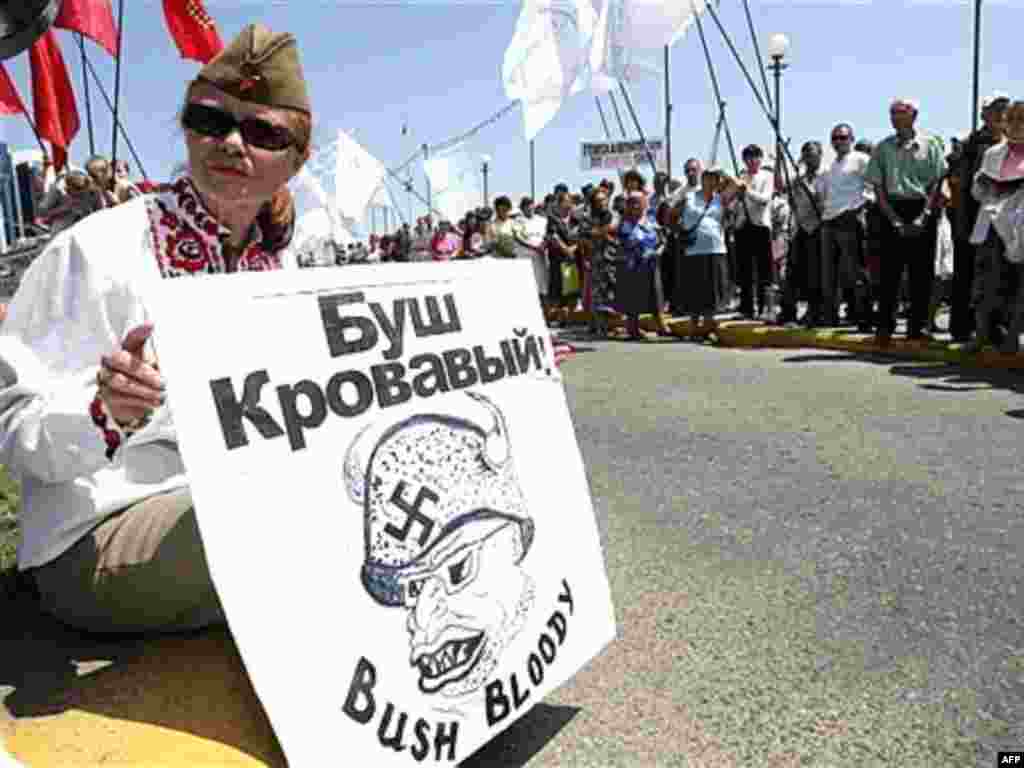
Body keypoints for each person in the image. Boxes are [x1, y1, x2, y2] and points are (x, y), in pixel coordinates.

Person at [0, 23, 312, 634]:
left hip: (232, 501)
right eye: (209, 120)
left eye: (263, 132)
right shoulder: (97, 250)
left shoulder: (286, 265)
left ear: (296, 159)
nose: (231, 143)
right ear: (185, 126)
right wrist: (105, 413)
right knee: (295, 516)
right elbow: (13, 430)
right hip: (101, 528)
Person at [864, 98, 947, 345]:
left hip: (922, 207)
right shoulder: (883, 148)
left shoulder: (930, 145)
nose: (895, 117)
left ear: (914, 115)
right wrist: (893, 219)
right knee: (889, 273)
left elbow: (936, 182)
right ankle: (884, 327)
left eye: (900, 112)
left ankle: (918, 326)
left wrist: (925, 215)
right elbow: (877, 187)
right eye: (892, 113)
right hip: (891, 208)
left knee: (921, 273)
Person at [968, 99, 1024, 353]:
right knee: (987, 282)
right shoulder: (992, 153)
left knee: (1019, 284)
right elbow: (977, 190)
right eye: (1011, 119)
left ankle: (1013, 336)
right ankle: (981, 336)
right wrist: (985, 186)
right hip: (992, 224)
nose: (1015, 125)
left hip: (1020, 225)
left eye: (1021, 120)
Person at [954, 92, 1010, 342]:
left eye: (1004, 109)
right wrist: (962, 222)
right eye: (995, 109)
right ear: (983, 115)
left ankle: (999, 326)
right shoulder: (972, 144)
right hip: (976, 218)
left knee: (1001, 275)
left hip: (1007, 221)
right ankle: (964, 327)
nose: (1000, 114)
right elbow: (963, 185)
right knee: (970, 274)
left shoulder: (1014, 142)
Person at [671, 168, 734, 340]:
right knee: (694, 291)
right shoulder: (689, 197)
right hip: (694, 250)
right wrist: (678, 231)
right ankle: (694, 327)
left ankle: (707, 327)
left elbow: (736, 185)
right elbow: (672, 214)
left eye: (715, 178)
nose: (711, 181)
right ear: (702, 179)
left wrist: (722, 171)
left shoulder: (720, 199)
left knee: (712, 292)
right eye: (708, 178)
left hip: (715, 249)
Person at [819, 123, 871, 328]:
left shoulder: (861, 159)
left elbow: (873, 185)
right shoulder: (830, 167)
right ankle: (830, 316)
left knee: (856, 272)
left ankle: (864, 317)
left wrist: (860, 207)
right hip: (829, 221)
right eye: (835, 138)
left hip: (850, 219)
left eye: (843, 137)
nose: (839, 141)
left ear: (851, 138)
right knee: (829, 274)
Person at [732, 144, 775, 319]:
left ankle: (766, 307)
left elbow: (764, 199)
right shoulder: (741, 177)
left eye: (755, 156)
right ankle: (746, 308)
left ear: (760, 158)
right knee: (744, 270)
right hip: (743, 226)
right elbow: (733, 203)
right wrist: (738, 195)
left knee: (764, 270)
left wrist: (747, 191)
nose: (752, 160)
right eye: (748, 157)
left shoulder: (767, 176)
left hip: (760, 226)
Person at [616, 190, 664, 340]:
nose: (635, 205)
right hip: (633, 264)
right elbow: (626, 242)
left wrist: (658, 252)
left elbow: (662, 241)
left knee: (655, 294)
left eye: (638, 202)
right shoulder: (624, 223)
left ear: (644, 203)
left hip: (651, 263)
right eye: (631, 203)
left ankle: (661, 324)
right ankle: (633, 327)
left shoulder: (651, 220)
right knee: (633, 296)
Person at [583, 188, 618, 338]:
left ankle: (611, 326)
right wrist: (600, 233)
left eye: (604, 199)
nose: (602, 203)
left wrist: (599, 232)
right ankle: (600, 327)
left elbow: (613, 229)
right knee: (598, 294)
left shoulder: (613, 215)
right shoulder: (588, 217)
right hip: (597, 260)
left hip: (614, 259)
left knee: (613, 292)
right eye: (598, 201)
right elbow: (584, 235)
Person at [512, 196, 549, 303]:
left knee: (542, 287)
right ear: (522, 208)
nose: (529, 208)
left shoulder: (543, 220)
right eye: (526, 206)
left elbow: (547, 235)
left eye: (530, 205)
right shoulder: (517, 221)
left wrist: (543, 245)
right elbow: (518, 237)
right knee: (526, 287)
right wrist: (534, 247)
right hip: (525, 258)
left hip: (540, 257)